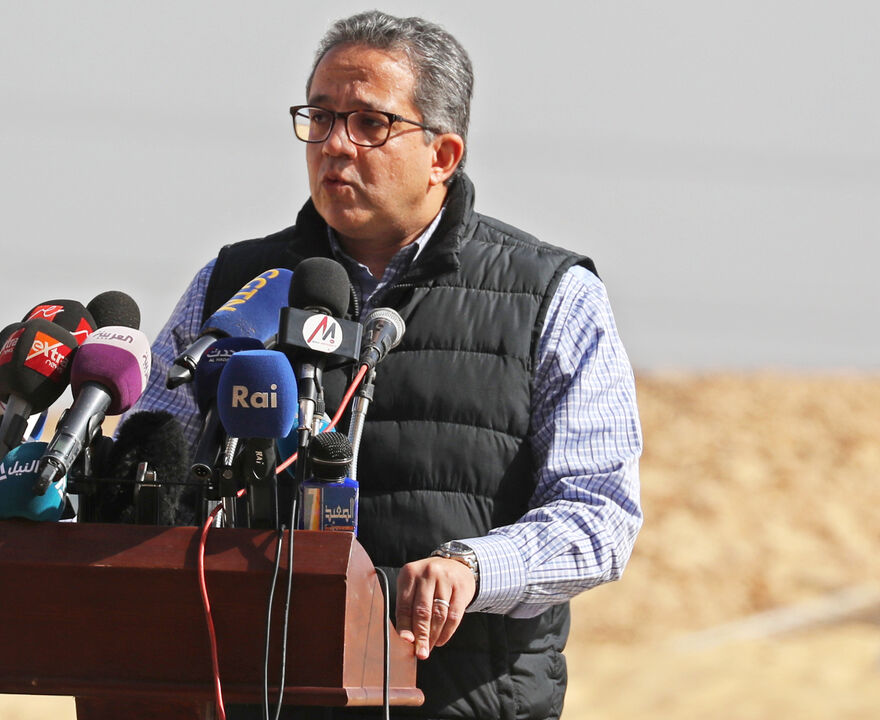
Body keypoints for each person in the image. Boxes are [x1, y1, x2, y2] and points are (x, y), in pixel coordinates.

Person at [127, 10, 642, 720]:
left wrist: (473, 569)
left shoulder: (551, 296)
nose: (335, 145)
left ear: (443, 155)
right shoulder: (232, 285)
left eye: (370, 123)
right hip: (256, 691)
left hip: (454, 696)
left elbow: (599, 516)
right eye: (320, 117)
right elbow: (149, 460)